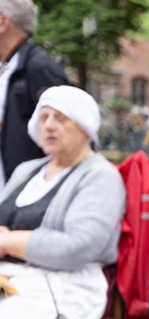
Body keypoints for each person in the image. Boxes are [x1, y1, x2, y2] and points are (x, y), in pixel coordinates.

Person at [0, 85, 126, 319]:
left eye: (60, 118)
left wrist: (9, 243)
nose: (48, 125)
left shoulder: (101, 177)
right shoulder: (27, 170)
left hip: (68, 279)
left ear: (85, 127)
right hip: (14, 275)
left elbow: (78, 247)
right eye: (43, 118)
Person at [0, 0, 69, 190]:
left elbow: (70, 135)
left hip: (27, 197)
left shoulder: (37, 68)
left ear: (3, 22)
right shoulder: (9, 68)